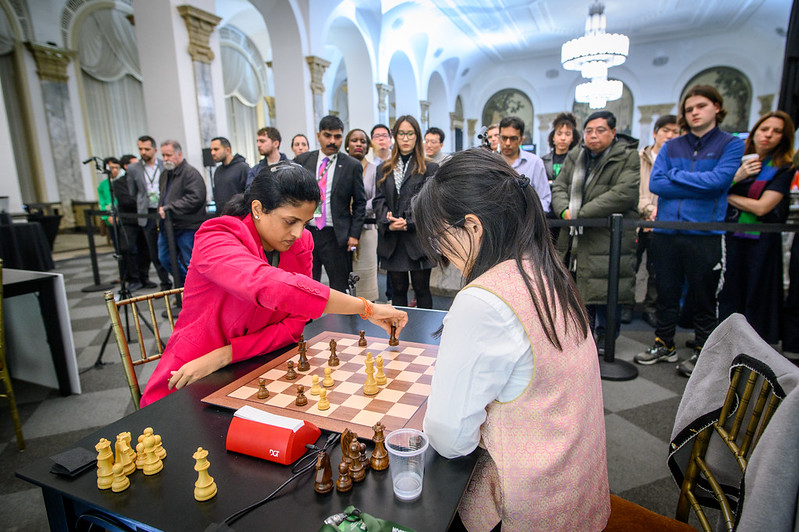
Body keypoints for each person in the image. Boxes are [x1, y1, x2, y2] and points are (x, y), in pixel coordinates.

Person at [417, 149, 609, 531]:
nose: (441, 252)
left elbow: (449, 439)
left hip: (525, 511)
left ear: (472, 227)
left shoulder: (483, 299)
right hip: (579, 498)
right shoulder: (544, 269)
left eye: (440, 236)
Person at [140, 162, 407, 407]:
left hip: (258, 368)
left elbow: (293, 326)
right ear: (257, 208)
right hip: (192, 374)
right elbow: (273, 288)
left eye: (305, 223)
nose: (298, 233)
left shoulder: (301, 244)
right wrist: (366, 307)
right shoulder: (216, 237)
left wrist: (227, 354)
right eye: (290, 221)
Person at [635, 85, 745, 376]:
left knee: (704, 296)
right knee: (666, 293)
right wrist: (697, 180)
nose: (694, 112)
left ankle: (704, 351)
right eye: (689, 109)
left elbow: (719, 183)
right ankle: (664, 344)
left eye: (701, 106)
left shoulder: (730, 144)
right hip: (667, 231)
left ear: (717, 107)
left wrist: (676, 176)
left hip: (705, 234)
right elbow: (657, 184)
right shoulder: (673, 146)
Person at [550, 110, 640, 350]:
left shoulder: (627, 156)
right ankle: (583, 339)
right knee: (579, 290)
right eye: (589, 130)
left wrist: (580, 213)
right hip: (576, 238)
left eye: (600, 130)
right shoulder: (575, 156)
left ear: (613, 132)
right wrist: (564, 212)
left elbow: (623, 193)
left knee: (607, 292)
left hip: (608, 237)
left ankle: (606, 340)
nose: (593, 135)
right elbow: (559, 187)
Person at [719, 111, 795, 344]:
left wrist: (727, 195)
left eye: (776, 131)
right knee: (729, 291)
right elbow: (716, 186)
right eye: (764, 129)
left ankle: (752, 347)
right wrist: (736, 177)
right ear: (755, 132)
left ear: (784, 137)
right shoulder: (735, 160)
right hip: (731, 235)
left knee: (757, 294)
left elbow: (762, 207)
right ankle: (724, 341)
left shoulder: (783, 167)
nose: (768, 135)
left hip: (761, 240)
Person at [295, 115, 366, 293]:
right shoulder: (302, 161)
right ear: (319, 136)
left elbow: (360, 203)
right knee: (307, 284)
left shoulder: (351, 165)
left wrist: (354, 234)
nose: (332, 141)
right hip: (307, 231)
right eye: (328, 136)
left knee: (339, 286)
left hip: (336, 234)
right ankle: (307, 320)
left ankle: (342, 320)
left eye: (337, 137)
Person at [373, 115, 438, 308]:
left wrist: (408, 221)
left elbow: (429, 202)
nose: (406, 138)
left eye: (410, 133)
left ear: (417, 137)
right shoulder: (383, 168)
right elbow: (378, 199)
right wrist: (388, 221)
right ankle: (399, 335)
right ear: (395, 136)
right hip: (392, 240)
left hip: (417, 238)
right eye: (401, 133)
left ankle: (425, 337)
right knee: (398, 289)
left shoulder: (430, 167)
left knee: (422, 289)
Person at [637, 114, 680, 327]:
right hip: (636, 220)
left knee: (659, 270)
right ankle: (627, 306)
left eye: (675, 132)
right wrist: (649, 209)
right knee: (629, 264)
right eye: (666, 131)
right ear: (655, 133)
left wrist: (659, 214)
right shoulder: (639, 158)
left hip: (664, 223)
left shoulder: (678, 161)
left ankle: (651, 307)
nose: (670, 136)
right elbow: (634, 190)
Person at [157, 139, 207, 283]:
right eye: (163, 155)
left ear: (179, 154)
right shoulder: (165, 175)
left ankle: (194, 288)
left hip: (187, 227)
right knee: (165, 258)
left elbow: (196, 198)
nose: (165, 159)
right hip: (167, 225)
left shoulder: (190, 173)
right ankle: (185, 286)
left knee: (191, 262)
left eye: (169, 155)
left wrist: (169, 208)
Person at [128, 135, 172, 290]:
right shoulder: (133, 169)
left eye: (146, 149)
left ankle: (180, 282)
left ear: (154, 150)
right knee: (154, 252)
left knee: (170, 248)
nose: (143, 152)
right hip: (146, 213)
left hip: (164, 211)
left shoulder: (164, 165)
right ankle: (165, 283)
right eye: (140, 149)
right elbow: (133, 192)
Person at [345, 128, 379, 301]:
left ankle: (368, 309)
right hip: (345, 228)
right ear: (347, 145)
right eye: (354, 140)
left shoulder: (374, 170)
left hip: (367, 227)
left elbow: (376, 198)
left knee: (366, 275)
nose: (358, 144)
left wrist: (358, 207)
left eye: (363, 141)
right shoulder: (342, 168)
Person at [498, 116, 551, 211]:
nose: (507, 143)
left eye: (513, 138)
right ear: (499, 138)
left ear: (521, 140)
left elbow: (544, 200)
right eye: (504, 138)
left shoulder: (535, 163)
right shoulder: (492, 163)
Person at [210, 136, 249, 212]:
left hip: (238, 216)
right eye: (211, 150)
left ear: (227, 150)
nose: (212, 153)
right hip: (221, 216)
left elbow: (249, 193)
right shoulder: (218, 170)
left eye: (216, 149)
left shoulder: (243, 168)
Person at [541, 112, 581, 183]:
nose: (563, 138)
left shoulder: (577, 160)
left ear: (573, 138)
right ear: (553, 137)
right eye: (559, 134)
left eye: (567, 134)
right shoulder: (543, 161)